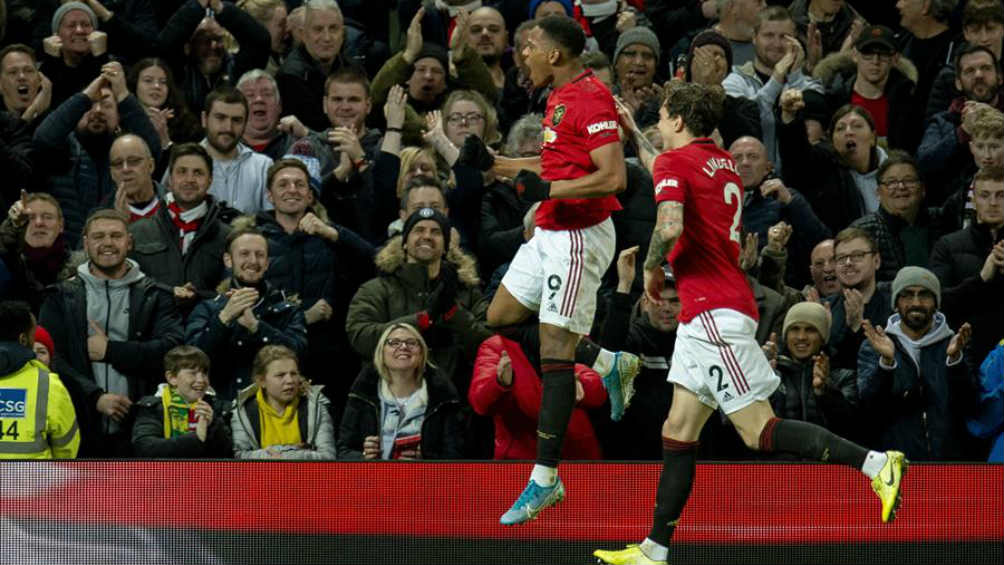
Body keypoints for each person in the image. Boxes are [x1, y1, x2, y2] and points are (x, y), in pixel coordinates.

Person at [593, 81, 905, 565]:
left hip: (715, 312)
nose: (657, 123)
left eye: (660, 118)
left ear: (677, 120)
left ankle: (877, 464)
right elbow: (664, 168)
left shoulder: (681, 163)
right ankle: (654, 549)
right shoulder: (720, 165)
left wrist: (653, 272)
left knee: (758, 430)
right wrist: (634, 132)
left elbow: (670, 222)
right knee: (677, 429)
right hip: (707, 315)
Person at [456, 15, 641, 526]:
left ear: (555, 54)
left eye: (530, 46)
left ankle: (544, 479)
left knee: (555, 350)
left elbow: (613, 176)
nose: (524, 55)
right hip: (554, 229)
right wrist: (497, 164)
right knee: (500, 314)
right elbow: (553, 167)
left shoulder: (590, 98)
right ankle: (609, 361)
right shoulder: (559, 96)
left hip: (579, 236)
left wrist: (549, 194)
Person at [39, 209, 184, 457]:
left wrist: (111, 351)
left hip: (141, 429)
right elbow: (51, 360)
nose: (107, 243)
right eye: (99, 236)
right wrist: (95, 397)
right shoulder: (59, 297)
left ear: (129, 242)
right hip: (77, 425)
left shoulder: (156, 296)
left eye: (116, 236)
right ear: (85, 243)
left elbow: (171, 351)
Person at [858, 266, 977, 461]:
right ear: (896, 303)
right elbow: (869, 409)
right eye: (907, 295)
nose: (916, 302)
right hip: (894, 465)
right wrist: (886, 364)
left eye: (924, 295)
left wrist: (955, 362)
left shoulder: (956, 343)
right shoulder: (875, 346)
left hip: (949, 464)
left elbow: (970, 405)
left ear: (936, 302)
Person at [186, 224, 308, 402]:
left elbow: (299, 355)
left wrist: (256, 326)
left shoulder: (288, 310)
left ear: (267, 263)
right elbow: (191, 364)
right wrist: (223, 319)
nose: (253, 261)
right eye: (244, 254)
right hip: (221, 411)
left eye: (260, 255)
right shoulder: (207, 309)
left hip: (275, 411)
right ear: (228, 260)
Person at [129, 143, 234, 308]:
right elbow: (129, 285)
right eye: (182, 172)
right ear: (170, 179)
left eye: (198, 173)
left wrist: (197, 297)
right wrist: (170, 293)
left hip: (206, 328)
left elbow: (231, 293)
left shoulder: (227, 237)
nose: (189, 180)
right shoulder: (138, 232)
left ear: (210, 180)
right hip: (153, 328)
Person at [469, 334, 605, 460]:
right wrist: (499, 383)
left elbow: (599, 391)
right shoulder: (496, 345)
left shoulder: (571, 336)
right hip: (521, 461)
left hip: (578, 456)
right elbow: (480, 403)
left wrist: (583, 386)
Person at [339, 323, 464, 459]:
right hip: (372, 478)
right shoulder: (362, 393)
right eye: (394, 343)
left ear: (422, 354)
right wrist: (363, 457)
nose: (403, 347)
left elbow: (455, 457)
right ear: (381, 352)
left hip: (422, 479)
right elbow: (343, 451)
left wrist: (425, 461)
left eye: (411, 343)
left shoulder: (443, 397)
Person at [849, 151, 952, 281]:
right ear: (878, 192)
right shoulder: (862, 231)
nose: (901, 187)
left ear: (923, 189)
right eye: (891, 182)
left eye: (909, 180)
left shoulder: (942, 220)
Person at [0, 300, 80, 460]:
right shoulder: (48, 385)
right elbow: (66, 448)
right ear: (23, 340)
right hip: (33, 481)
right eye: (33, 333)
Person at [231, 344, 337, 459]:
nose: (290, 380)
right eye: (280, 375)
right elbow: (239, 457)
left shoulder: (315, 407)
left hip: (306, 476)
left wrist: (279, 455)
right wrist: (295, 451)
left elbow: (328, 457)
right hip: (261, 476)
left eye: (294, 374)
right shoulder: (243, 411)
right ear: (261, 381)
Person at [131, 345, 232, 458]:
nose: (201, 380)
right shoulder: (152, 407)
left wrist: (214, 424)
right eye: (193, 373)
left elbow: (229, 454)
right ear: (172, 378)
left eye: (204, 373)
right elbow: (144, 449)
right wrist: (195, 439)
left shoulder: (218, 407)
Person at [197, 86, 274, 214]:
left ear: (245, 123)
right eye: (220, 118)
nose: (228, 128)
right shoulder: (184, 163)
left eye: (237, 120)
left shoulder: (263, 167)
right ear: (204, 119)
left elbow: (272, 223)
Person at [0, 192, 76, 313]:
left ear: (61, 225)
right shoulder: (9, 266)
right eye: (30, 217)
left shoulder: (81, 269)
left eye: (48, 217)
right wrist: (12, 226)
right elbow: (7, 247)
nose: (39, 223)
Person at [0, 44, 53, 127]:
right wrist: (32, 111)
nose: (22, 77)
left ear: (40, 80)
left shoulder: (54, 121)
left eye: (29, 71)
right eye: (13, 72)